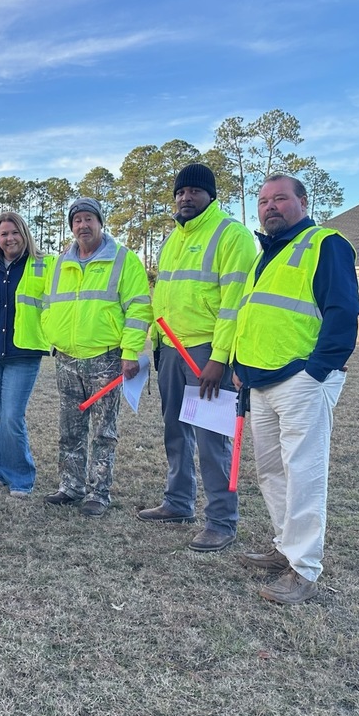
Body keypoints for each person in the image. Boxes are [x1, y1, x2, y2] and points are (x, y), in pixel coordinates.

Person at [232, 174, 359, 604]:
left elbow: (342, 312)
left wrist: (318, 371)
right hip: (260, 380)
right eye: (264, 200)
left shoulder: (325, 244)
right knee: (271, 471)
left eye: (280, 198)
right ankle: (285, 547)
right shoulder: (264, 255)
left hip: (301, 380)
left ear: (302, 202)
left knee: (303, 472)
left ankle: (304, 569)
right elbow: (251, 317)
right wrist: (239, 365)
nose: (270, 206)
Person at [137, 163, 257, 552]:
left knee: (211, 440)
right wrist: (157, 345)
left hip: (207, 354)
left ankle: (221, 521)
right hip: (171, 349)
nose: (185, 198)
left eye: (194, 191)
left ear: (211, 195)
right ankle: (178, 502)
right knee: (175, 431)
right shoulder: (172, 239)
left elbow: (234, 305)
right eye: (180, 192)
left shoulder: (231, 236)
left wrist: (219, 358)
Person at [41, 197, 152, 517]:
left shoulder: (123, 260)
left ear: (101, 223)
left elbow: (138, 308)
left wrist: (131, 352)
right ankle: (70, 486)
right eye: (76, 220)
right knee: (70, 429)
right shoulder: (60, 262)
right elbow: (48, 303)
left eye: (89, 219)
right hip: (66, 359)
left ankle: (98, 493)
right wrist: (53, 334)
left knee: (104, 431)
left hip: (106, 360)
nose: (82, 225)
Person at [0, 212, 54, 499]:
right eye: (4, 234)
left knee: (13, 416)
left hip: (23, 350)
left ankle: (21, 477)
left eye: (14, 232)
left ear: (24, 234)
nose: (9, 238)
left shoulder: (43, 264)